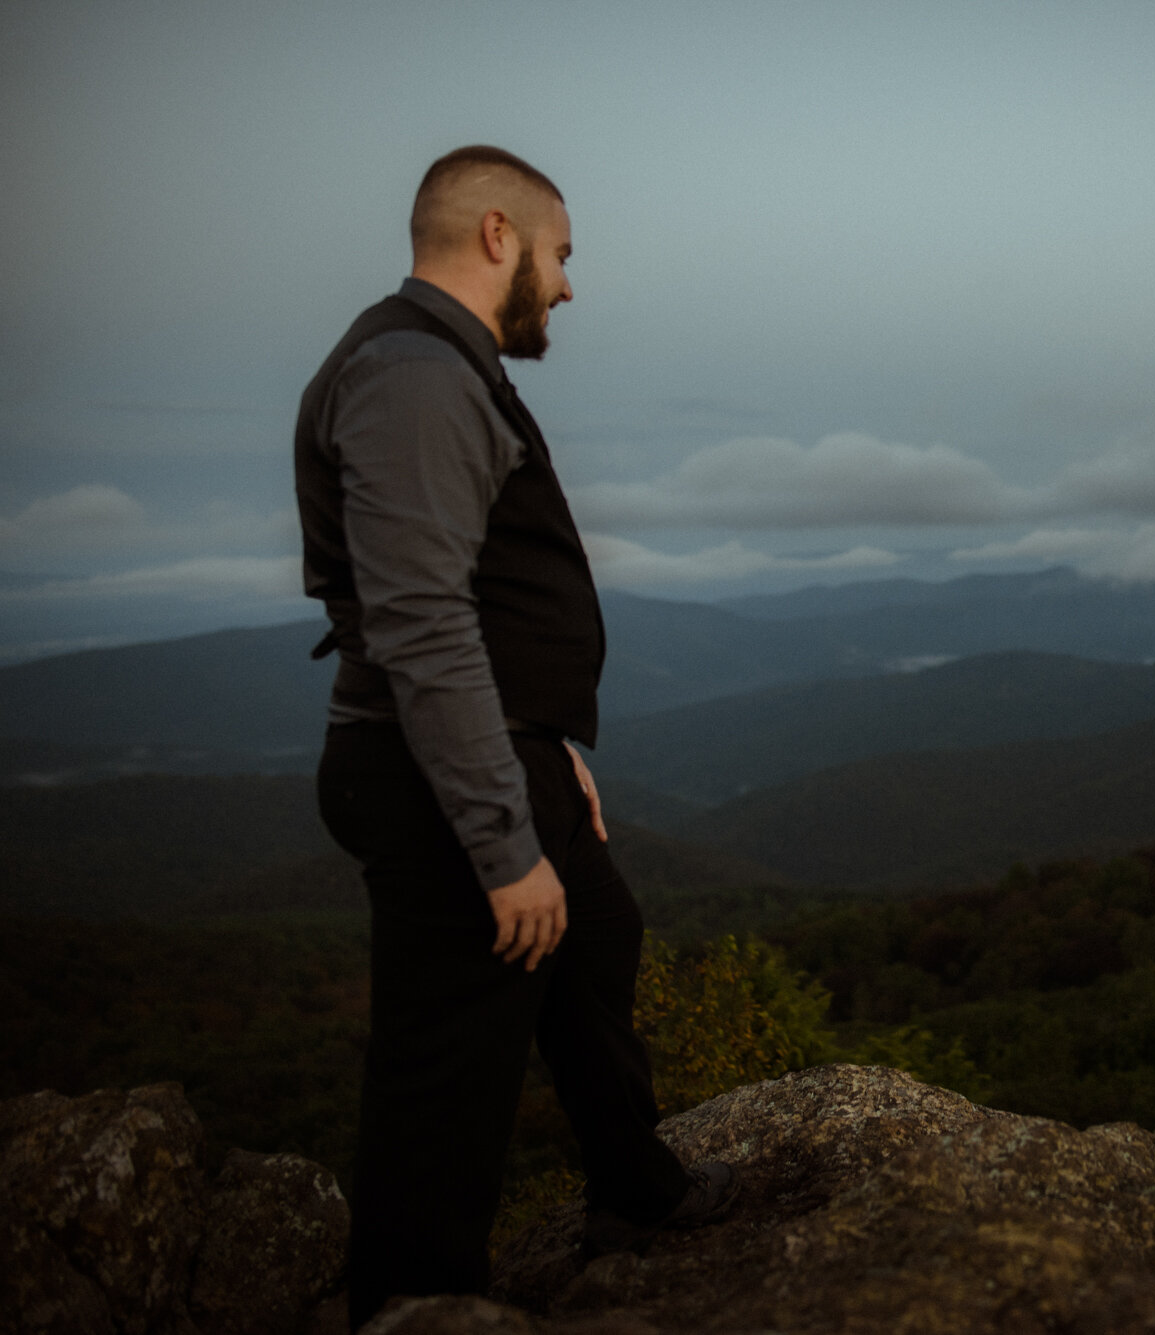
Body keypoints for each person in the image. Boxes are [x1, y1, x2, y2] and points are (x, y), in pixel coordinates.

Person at [294, 146, 736, 1331]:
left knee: (596, 934)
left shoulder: (437, 362)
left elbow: (475, 604)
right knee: (447, 1073)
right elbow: (421, 621)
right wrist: (499, 836)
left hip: (492, 745)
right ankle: (413, 1305)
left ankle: (637, 1193)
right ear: (499, 235)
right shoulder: (412, 374)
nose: (570, 285)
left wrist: (543, 754)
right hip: (430, 771)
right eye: (563, 253)